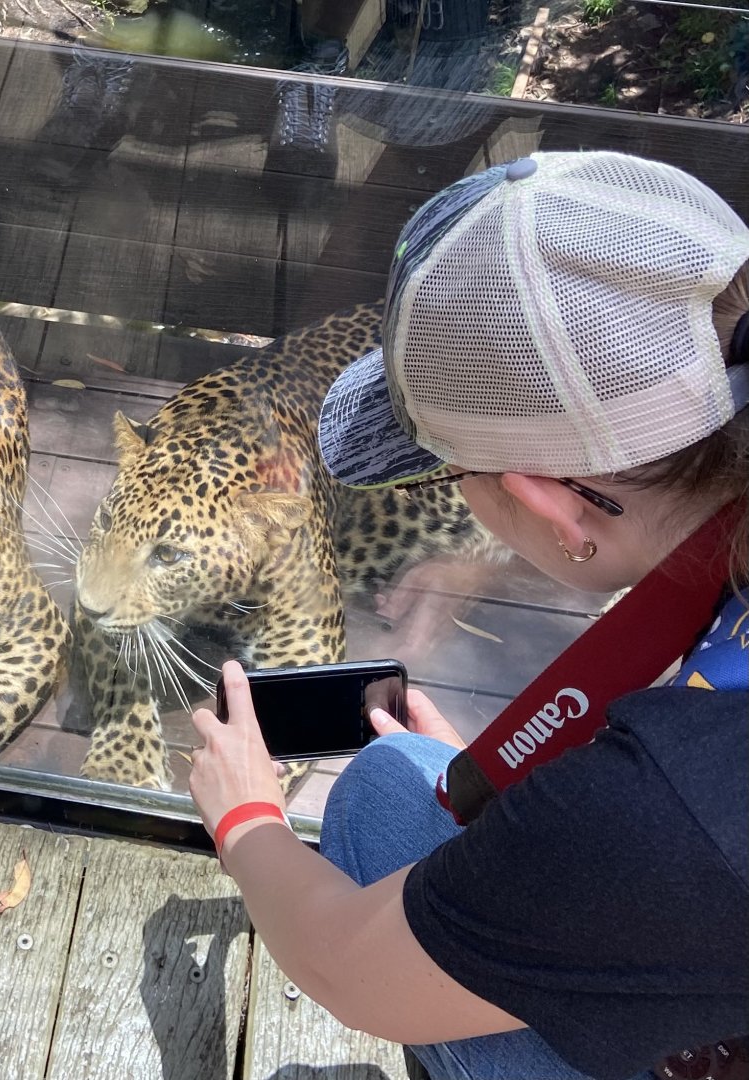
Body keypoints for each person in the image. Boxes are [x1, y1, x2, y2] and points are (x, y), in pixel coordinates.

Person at [187, 150, 749, 1080]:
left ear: (553, 503)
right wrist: (540, 793)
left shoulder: (667, 805)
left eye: (450, 473)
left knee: (384, 786)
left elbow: (348, 969)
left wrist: (245, 818)